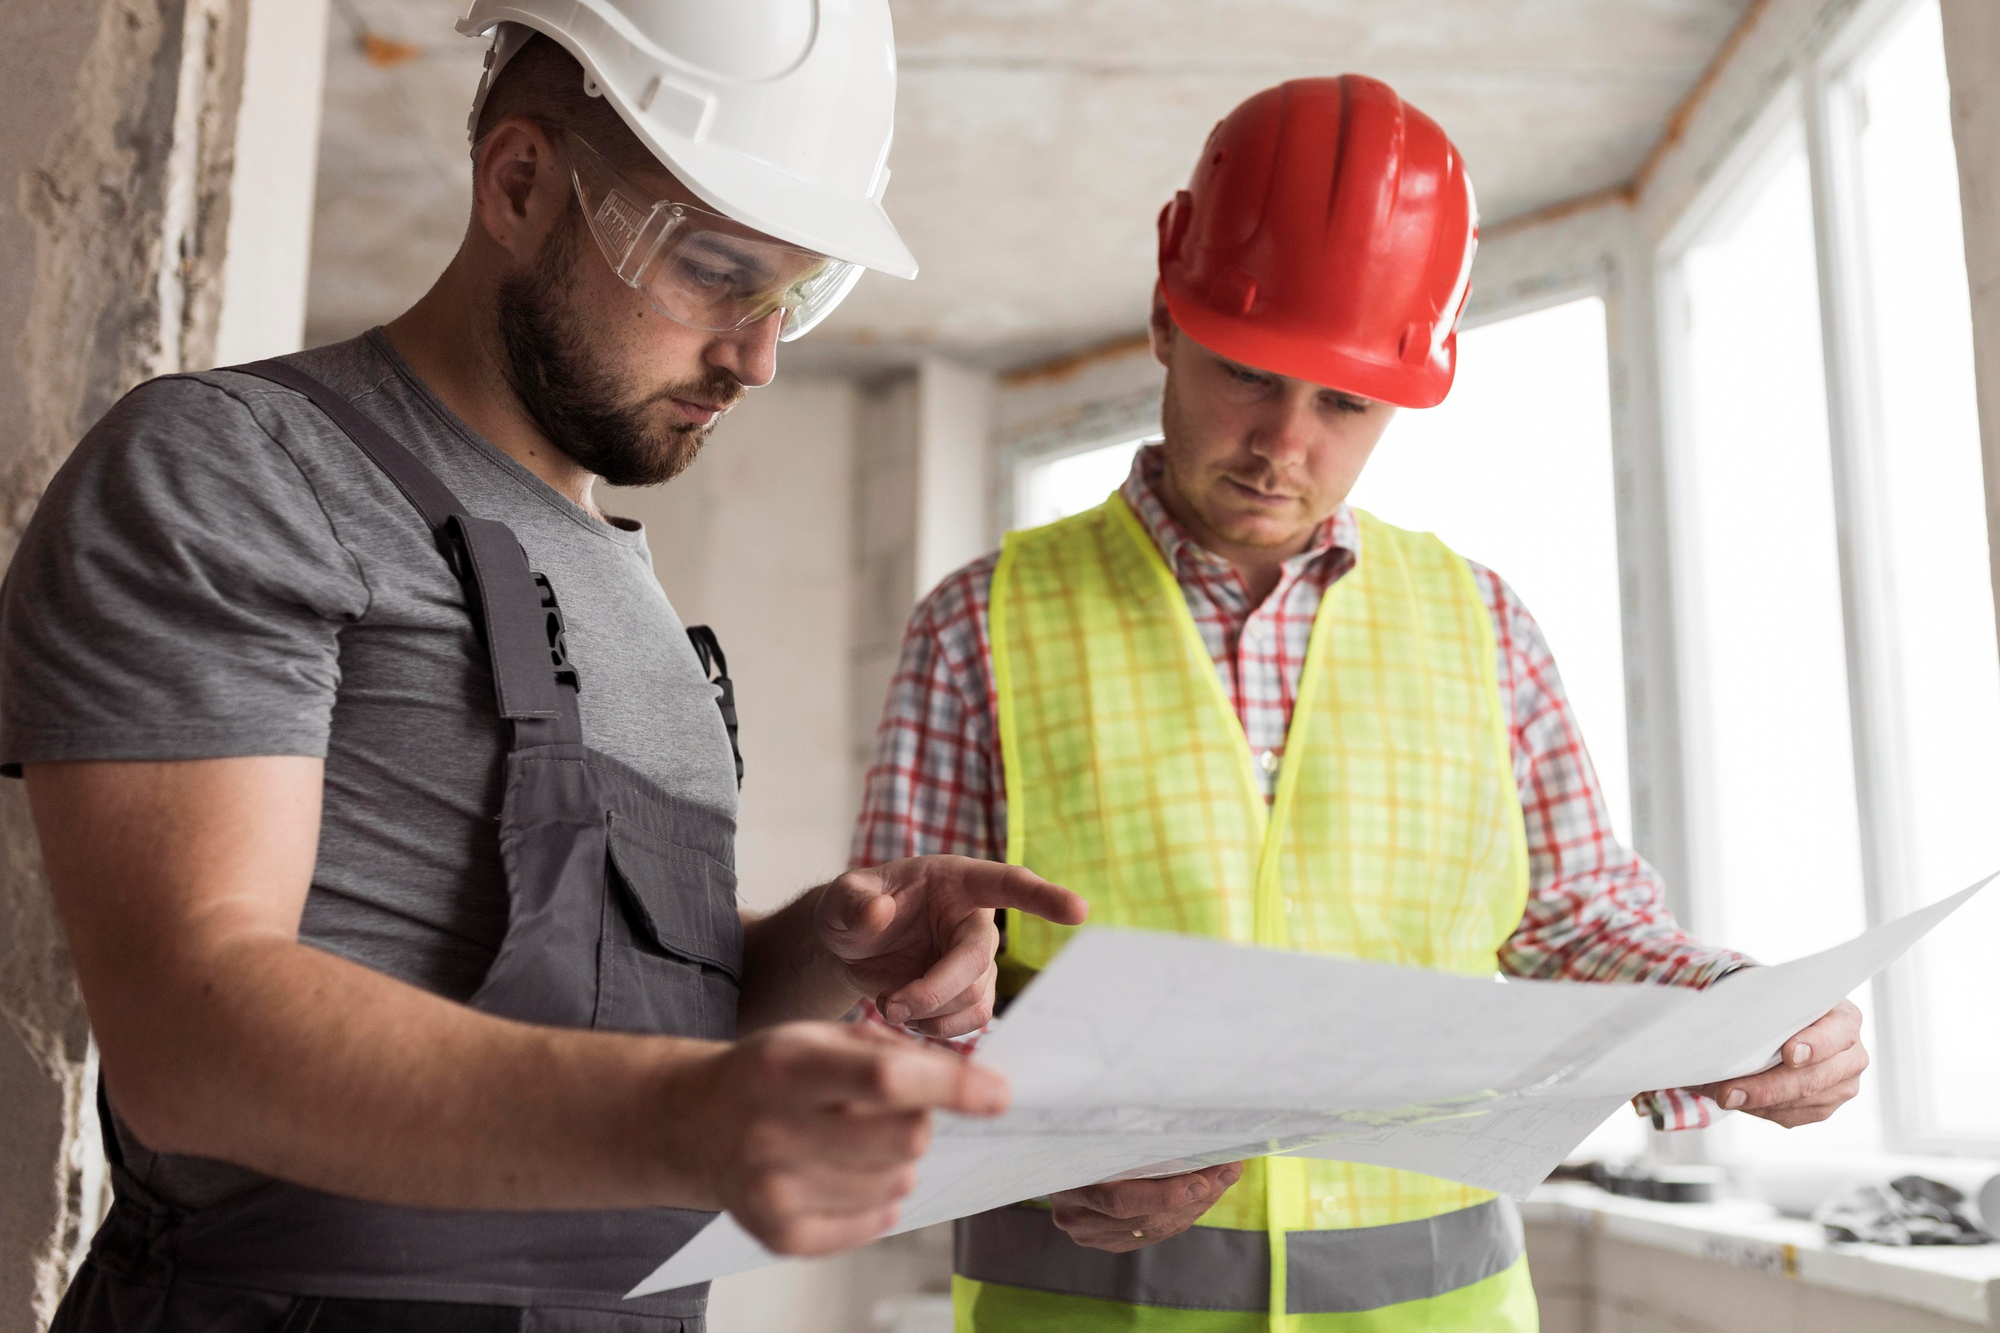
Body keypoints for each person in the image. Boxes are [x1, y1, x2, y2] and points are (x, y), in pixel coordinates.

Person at [0, 3, 1086, 1330]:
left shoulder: (621, 585)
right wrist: (689, 1121)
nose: (757, 356)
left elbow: (606, 1013)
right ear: (519, 183)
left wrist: (823, 953)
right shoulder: (236, 470)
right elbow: (191, 1033)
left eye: (795, 296)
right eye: (715, 271)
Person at [852, 75, 1867, 1331]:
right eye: (1247, 373)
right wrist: (1040, 1138)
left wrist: (1744, 1013)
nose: (1285, 441)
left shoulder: (1481, 623)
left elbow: (1579, 921)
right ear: (1167, 318)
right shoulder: (979, 624)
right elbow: (887, 1003)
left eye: (1343, 400)